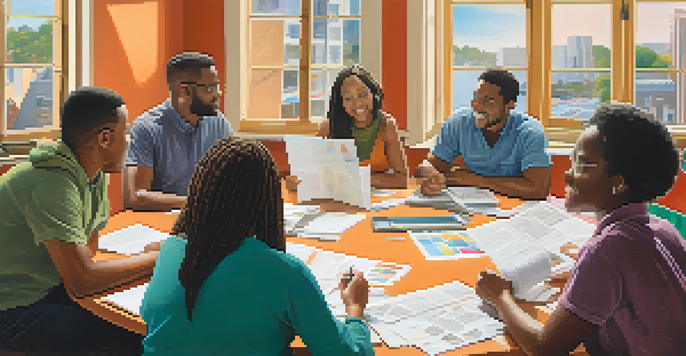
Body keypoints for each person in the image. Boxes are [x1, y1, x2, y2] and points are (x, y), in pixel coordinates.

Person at [475, 103, 686, 355]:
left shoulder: (606, 251)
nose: (567, 175)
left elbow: (544, 348)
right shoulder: (663, 230)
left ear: (618, 183)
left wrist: (501, 297)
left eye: (583, 164)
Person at [140, 137, 375, 356]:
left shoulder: (171, 249)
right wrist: (355, 310)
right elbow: (344, 352)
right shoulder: (283, 270)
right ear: (268, 199)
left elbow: (150, 315)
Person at [0, 87, 161, 355]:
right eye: (127, 132)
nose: (130, 141)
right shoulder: (52, 183)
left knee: (146, 321)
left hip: (52, 290)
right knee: (128, 338)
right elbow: (82, 280)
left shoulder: (94, 173)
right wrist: (159, 258)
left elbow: (89, 253)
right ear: (105, 138)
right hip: (13, 307)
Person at [124, 52, 235, 212]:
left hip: (210, 220)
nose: (218, 94)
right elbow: (135, 197)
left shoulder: (218, 122)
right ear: (185, 91)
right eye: (210, 88)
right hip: (161, 225)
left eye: (217, 86)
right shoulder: (146, 128)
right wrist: (200, 203)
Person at [420, 68, 551, 200]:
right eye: (475, 98)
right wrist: (431, 176)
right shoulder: (459, 123)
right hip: (472, 204)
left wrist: (475, 180)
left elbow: (537, 190)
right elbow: (428, 165)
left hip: (518, 208)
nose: (477, 106)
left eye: (487, 101)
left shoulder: (530, 132)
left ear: (509, 105)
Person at [287, 66, 408, 191]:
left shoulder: (386, 125)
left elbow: (402, 179)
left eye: (362, 94)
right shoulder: (328, 127)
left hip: (378, 201)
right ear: (341, 103)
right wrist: (299, 181)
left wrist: (356, 179)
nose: (357, 104)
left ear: (374, 94)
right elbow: (309, 173)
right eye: (348, 98)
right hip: (338, 199)